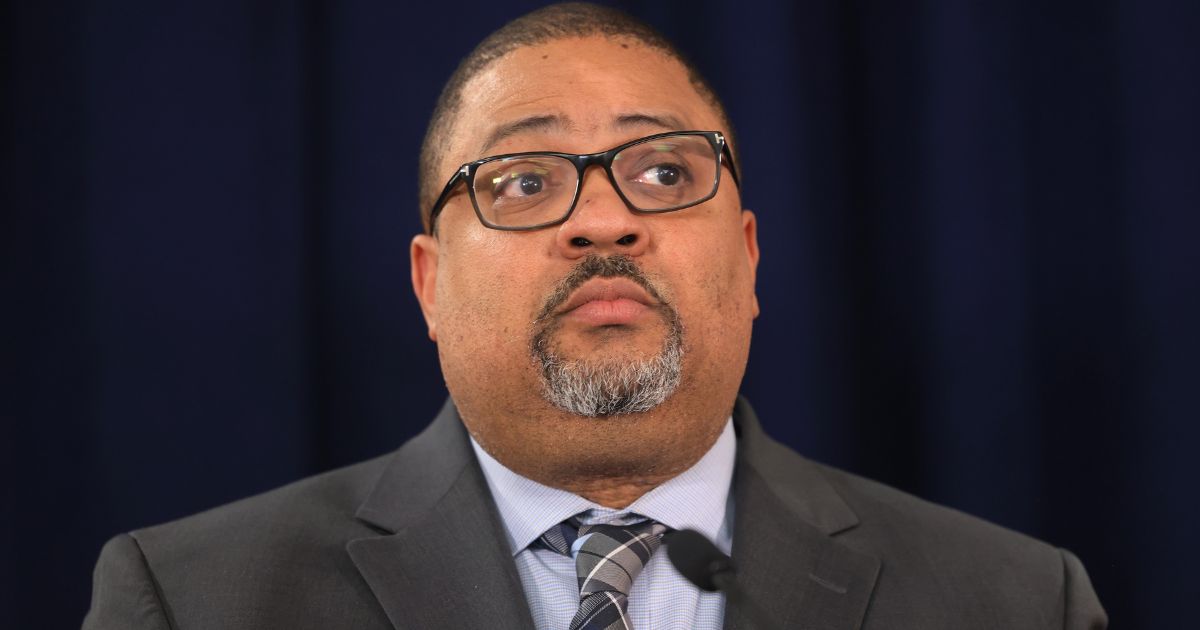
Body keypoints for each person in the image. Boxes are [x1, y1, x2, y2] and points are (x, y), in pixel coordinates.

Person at [83, 3, 1107, 629]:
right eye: (525, 182)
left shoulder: (1014, 604)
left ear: (749, 259)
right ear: (428, 284)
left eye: (665, 170)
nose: (605, 220)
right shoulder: (193, 602)